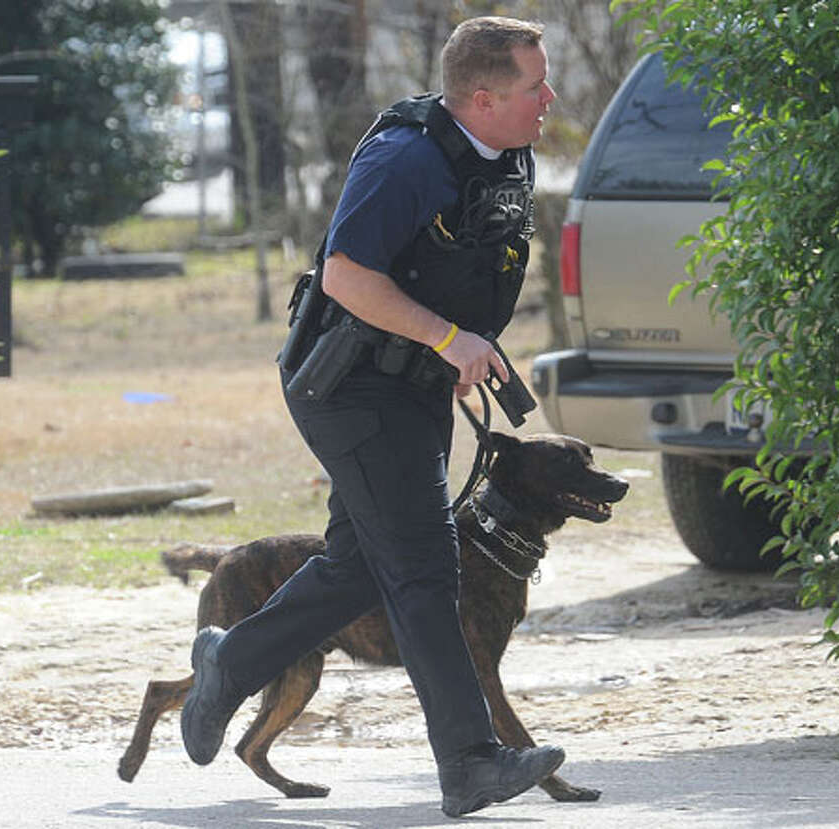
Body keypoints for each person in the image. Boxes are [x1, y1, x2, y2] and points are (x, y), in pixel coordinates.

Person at [180, 16, 559, 818]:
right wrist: (448, 338)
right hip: (348, 385)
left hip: (412, 379)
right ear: (483, 97)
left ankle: (228, 663)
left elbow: (457, 262)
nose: (549, 99)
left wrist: (455, 350)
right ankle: (469, 762)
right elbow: (348, 274)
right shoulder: (407, 158)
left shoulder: (502, 150)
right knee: (424, 565)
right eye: (535, 87)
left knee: (361, 563)